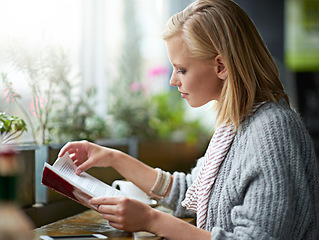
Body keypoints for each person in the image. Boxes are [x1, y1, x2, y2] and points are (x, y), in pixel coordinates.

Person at [59, 0, 319, 239]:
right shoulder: (236, 125)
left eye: (181, 69)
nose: (173, 80)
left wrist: (151, 220)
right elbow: (191, 192)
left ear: (221, 66)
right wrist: (112, 158)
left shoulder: (272, 131)